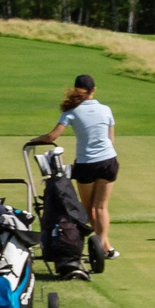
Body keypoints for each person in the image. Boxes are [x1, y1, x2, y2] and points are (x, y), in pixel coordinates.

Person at [27, 73, 118, 260]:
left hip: (86, 164)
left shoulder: (71, 112)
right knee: (101, 207)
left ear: (76, 89)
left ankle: (101, 248)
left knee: (88, 208)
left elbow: (52, 137)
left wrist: (34, 140)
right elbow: (111, 139)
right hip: (109, 160)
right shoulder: (106, 109)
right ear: (94, 89)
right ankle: (104, 247)